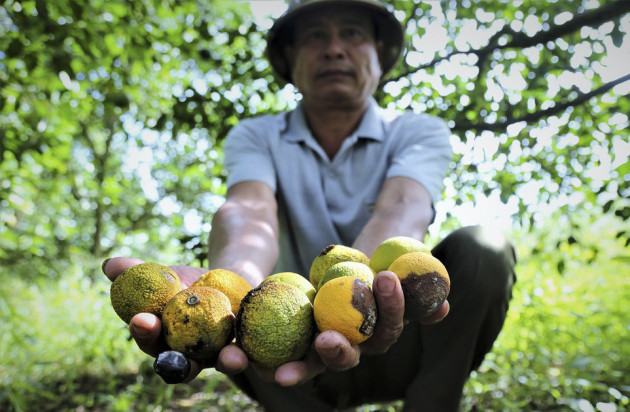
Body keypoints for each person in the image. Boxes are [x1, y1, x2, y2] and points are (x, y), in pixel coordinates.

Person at [102, 0, 516, 410]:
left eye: (352, 33)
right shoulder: (256, 136)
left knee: (484, 249)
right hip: (287, 352)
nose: (334, 48)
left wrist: (359, 300)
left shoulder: (417, 131)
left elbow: (404, 206)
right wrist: (233, 287)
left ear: (377, 53)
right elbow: (248, 211)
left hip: (395, 340)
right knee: (243, 335)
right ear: (290, 59)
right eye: (316, 36)